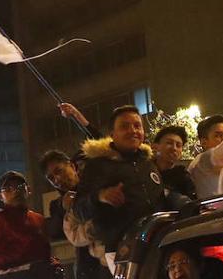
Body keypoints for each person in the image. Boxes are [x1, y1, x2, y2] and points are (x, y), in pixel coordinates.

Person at [69, 104, 168, 255]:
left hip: (157, 241)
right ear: (112, 134)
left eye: (137, 126)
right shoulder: (98, 165)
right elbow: (78, 209)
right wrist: (100, 196)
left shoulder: (148, 163)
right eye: (124, 126)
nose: (133, 131)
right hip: (121, 250)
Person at [39, 149, 112, 279]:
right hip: (88, 264)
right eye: (51, 178)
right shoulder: (58, 204)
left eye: (59, 171)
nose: (57, 179)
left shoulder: (95, 185)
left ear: (72, 166)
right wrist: (64, 208)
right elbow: (56, 232)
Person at [151, 125, 197, 205]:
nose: (174, 148)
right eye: (169, 143)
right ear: (155, 147)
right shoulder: (145, 170)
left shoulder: (183, 177)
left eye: (178, 145)